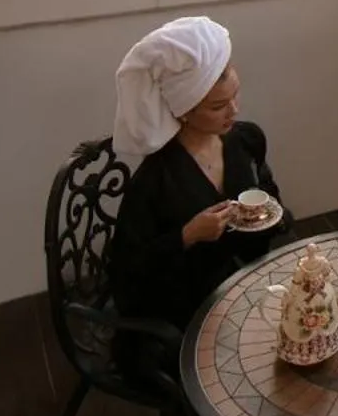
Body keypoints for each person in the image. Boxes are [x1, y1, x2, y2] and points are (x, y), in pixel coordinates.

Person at [108, 17, 295, 339]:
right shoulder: (156, 178)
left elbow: (268, 195)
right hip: (183, 307)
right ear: (184, 110)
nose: (234, 111)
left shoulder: (245, 140)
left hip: (245, 284)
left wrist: (272, 217)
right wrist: (187, 235)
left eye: (236, 95)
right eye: (218, 106)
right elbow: (127, 271)